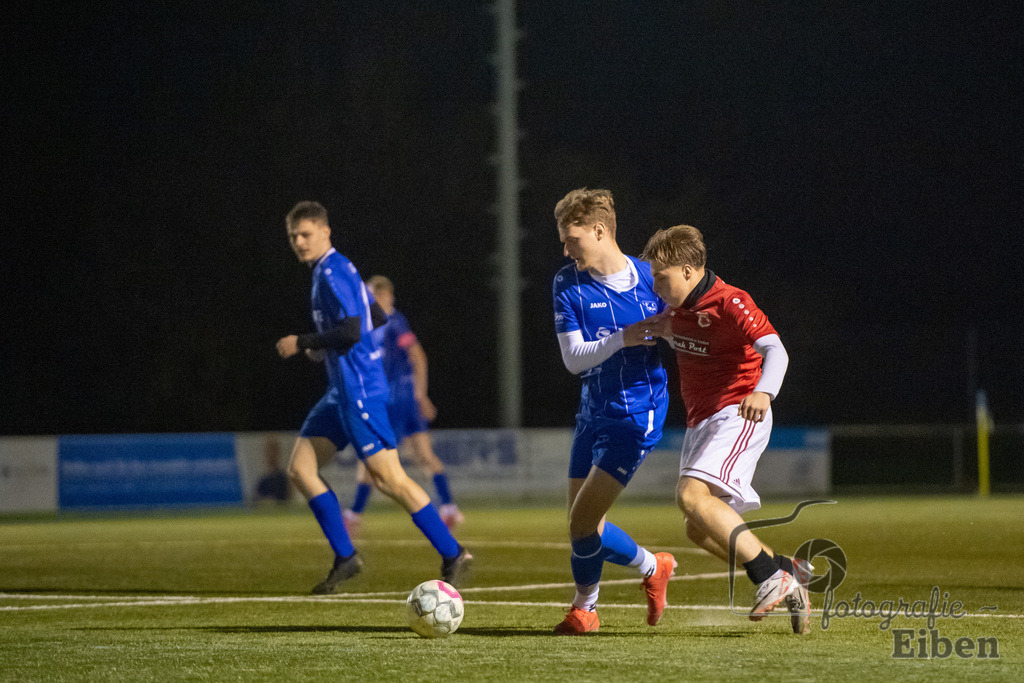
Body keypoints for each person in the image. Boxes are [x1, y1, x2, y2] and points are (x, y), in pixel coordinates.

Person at [275, 200, 472, 594]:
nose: (299, 241)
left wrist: (303, 342)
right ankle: (346, 557)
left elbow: (350, 331)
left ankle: (453, 553)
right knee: (300, 468)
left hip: (360, 392)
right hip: (341, 392)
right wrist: (326, 348)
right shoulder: (337, 270)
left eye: (306, 234)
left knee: (390, 479)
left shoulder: (331, 272)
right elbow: (374, 318)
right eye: (294, 236)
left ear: (325, 232)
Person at [640, 224, 811, 634]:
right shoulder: (675, 310)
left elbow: (776, 349)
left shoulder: (731, 301)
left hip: (740, 411)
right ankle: (788, 572)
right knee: (697, 528)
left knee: (690, 496)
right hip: (703, 421)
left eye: (661, 279)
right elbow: (669, 326)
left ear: (686, 269)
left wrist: (764, 392)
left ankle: (770, 578)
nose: (657, 288)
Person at [550, 188, 677, 635]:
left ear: (600, 231)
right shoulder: (568, 283)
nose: (565, 249)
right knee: (582, 525)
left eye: (572, 239)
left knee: (583, 521)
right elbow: (573, 358)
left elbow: (686, 329)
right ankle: (653, 566)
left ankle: (585, 608)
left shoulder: (650, 278)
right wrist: (625, 336)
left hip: (635, 416)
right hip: (592, 411)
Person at [343, 275, 464, 534]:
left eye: (372, 295)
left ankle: (353, 514)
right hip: (402, 400)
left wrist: (421, 395)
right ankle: (449, 508)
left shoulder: (394, 324)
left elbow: (418, 356)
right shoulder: (378, 324)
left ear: (385, 295)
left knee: (370, 457)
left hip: (393, 401)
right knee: (424, 456)